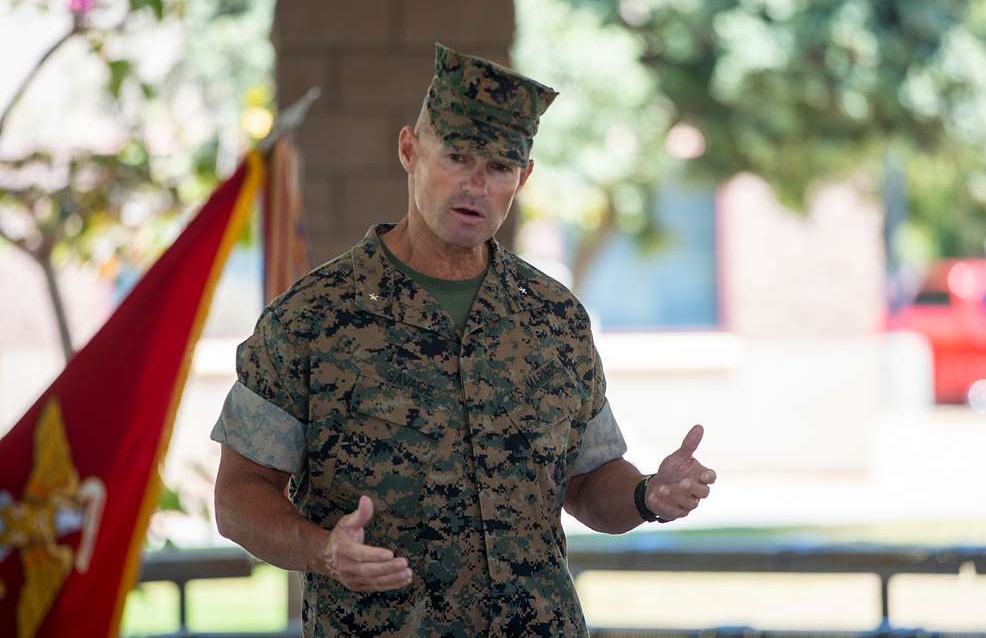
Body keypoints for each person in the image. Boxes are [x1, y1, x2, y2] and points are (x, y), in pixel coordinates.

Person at [211, 43, 716, 637]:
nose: (476, 184)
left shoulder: (554, 319)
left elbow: (587, 480)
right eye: (457, 157)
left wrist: (645, 495)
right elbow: (240, 495)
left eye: (500, 168)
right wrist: (323, 551)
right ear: (409, 151)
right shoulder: (312, 320)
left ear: (522, 178)